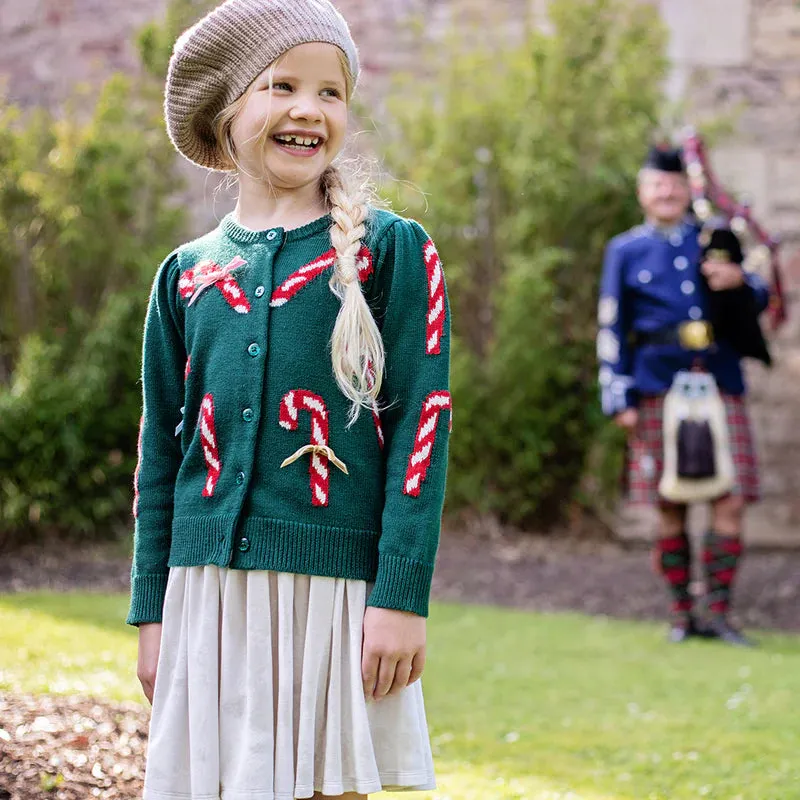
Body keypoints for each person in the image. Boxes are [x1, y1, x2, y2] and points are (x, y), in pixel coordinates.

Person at [127, 2, 451, 797]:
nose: (309, 108)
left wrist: (400, 596)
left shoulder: (392, 251)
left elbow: (422, 423)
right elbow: (160, 453)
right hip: (205, 590)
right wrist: (151, 610)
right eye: (281, 85)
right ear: (227, 112)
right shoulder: (186, 275)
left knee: (328, 786)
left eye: (330, 92)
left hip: (336, 593)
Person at [596, 144, 769, 647]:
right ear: (642, 193)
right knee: (670, 502)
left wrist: (740, 280)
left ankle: (717, 613)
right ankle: (681, 615)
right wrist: (618, 396)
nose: (666, 192)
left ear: (687, 190)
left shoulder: (713, 238)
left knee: (730, 500)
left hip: (719, 381)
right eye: (656, 184)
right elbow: (611, 325)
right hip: (655, 386)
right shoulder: (625, 250)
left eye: (674, 185)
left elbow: (759, 294)